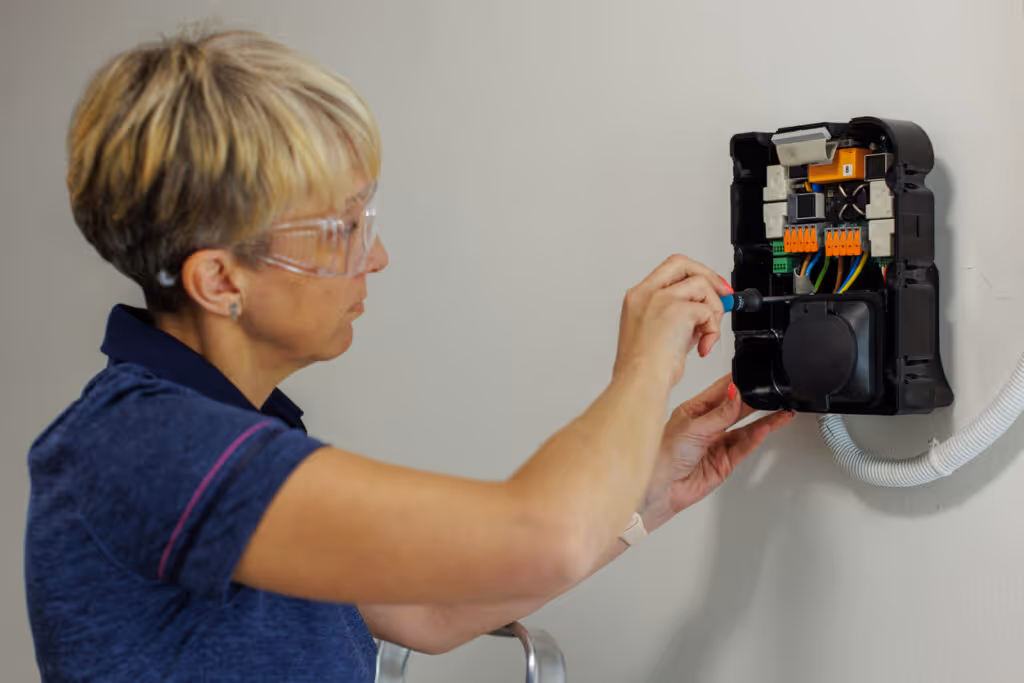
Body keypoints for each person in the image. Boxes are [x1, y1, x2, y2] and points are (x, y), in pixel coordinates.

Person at [24, 28, 794, 682]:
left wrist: (651, 491)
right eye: (342, 229)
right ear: (220, 277)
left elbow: (431, 611)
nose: (378, 254)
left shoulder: (232, 434)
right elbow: (540, 534)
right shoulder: (147, 446)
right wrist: (643, 369)